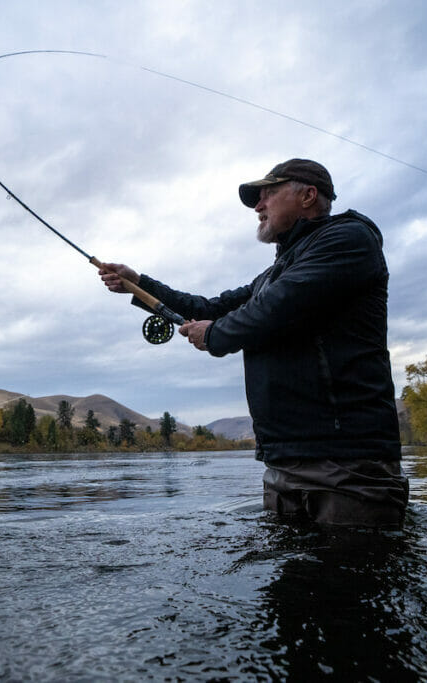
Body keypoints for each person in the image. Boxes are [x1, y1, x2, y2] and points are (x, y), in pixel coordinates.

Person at [100, 159, 408, 527]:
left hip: (347, 464)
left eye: (268, 195)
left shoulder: (349, 240)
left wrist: (213, 335)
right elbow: (210, 307)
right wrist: (141, 284)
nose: (258, 207)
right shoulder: (274, 274)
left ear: (308, 196)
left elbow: (276, 309)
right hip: (283, 463)